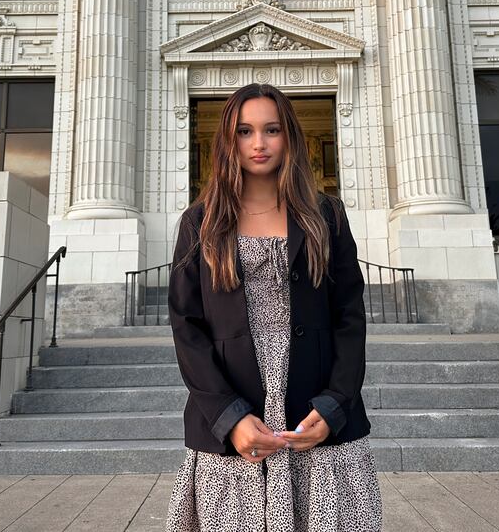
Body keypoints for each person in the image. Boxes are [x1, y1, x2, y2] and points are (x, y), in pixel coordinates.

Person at [164, 83, 382, 531]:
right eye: (244, 131)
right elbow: (187, 327)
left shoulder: (326, 214)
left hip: (313, 410)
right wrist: (230, 417)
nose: (258, 144)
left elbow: (349, 316)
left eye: (271, 130)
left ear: (290, 137)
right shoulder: (201, 221)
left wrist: (335, 404)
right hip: (236, 414)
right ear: (228, 140)